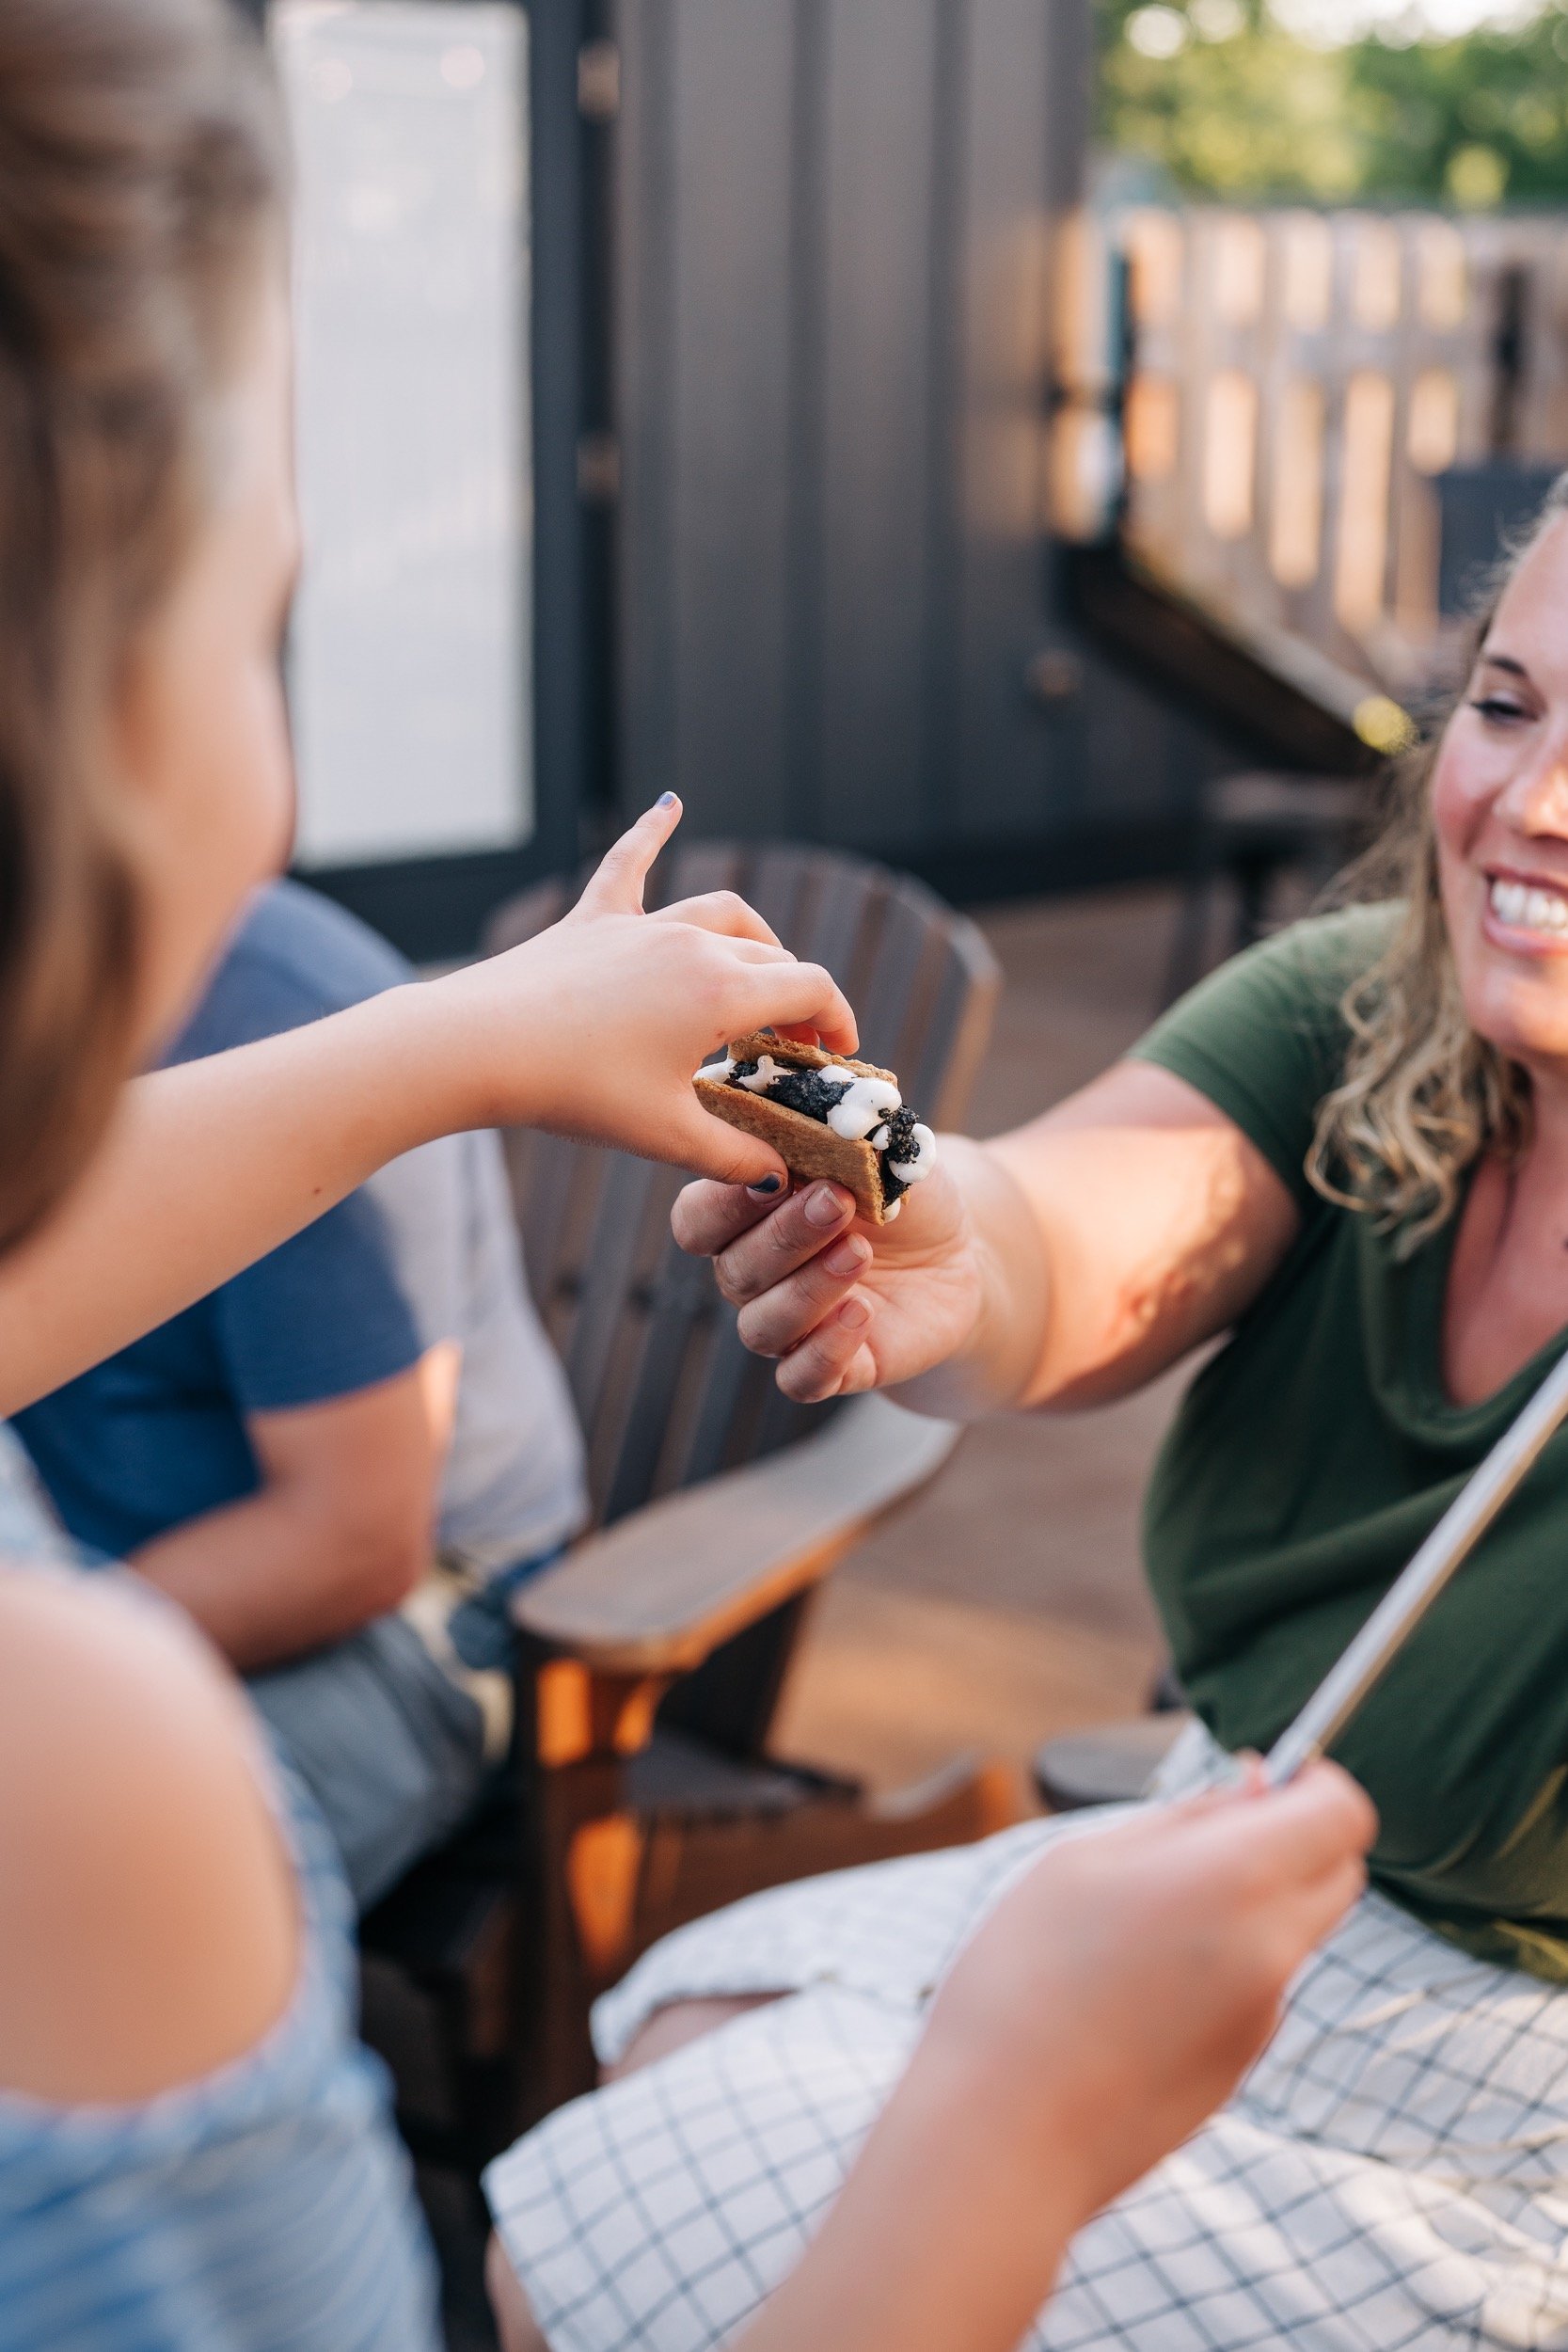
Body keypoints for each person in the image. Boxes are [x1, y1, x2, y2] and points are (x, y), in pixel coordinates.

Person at [0, 4, 1376, 2347]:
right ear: (96, 704)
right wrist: (1019, 2124)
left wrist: (479, 1046)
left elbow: (1013, 1233)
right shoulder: (84, 1769)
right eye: (264, 618)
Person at [488, 473, 1568, 2350]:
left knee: (603, 2232)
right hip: (1194, 1837)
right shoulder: (1358, 1009)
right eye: (1504, 702)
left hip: (1499, 2079)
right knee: (675, 2043)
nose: (1526, 803)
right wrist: (812, 1126)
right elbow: (1038, 1229)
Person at [13, 875, 588, 1909]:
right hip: (88, 1564)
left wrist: (47, 1665)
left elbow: (349, 1539)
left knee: (71, 1897)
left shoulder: (287, 1035)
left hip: (420, 1610)